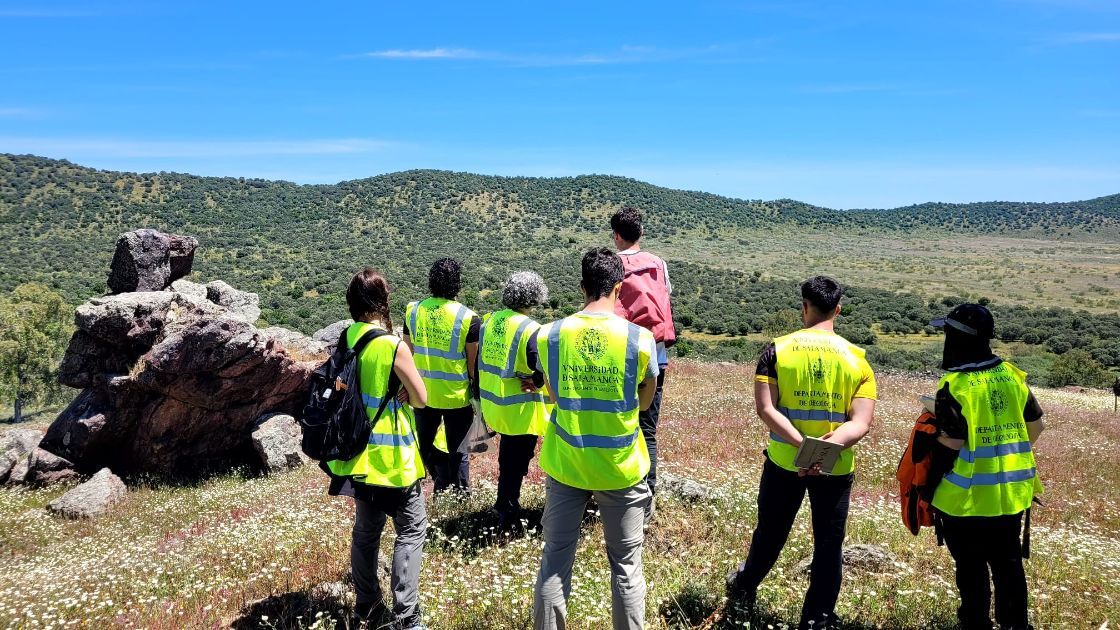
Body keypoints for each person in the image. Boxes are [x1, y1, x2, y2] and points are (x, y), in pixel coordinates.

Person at [726, 276, 876, 629]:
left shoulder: (777, 351)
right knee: (829, 544)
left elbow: (766, 409)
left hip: (784, 462)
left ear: (804, 306)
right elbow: (861, 422)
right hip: (835, 466)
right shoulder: (858, 360)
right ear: (838, 309)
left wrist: (801, 445)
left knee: (770, 532)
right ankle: (817, 618)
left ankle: (744, 587)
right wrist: (825, 449)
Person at [531, 247, 659, 630]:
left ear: (582, 286)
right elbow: (645, 401)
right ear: (619, 287)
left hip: (567, 463)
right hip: (621, 468)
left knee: (555, 560)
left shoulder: (550, 335)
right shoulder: (639, 339)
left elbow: (554, 394)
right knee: (626, 566)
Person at [928, 304, 1044, 630]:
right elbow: (1036, 427)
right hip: (1011, 493)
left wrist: (929, 482)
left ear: (955, 338)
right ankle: (1015, 625)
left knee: (971, 567)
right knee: (1009, 564)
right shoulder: (1012, 376)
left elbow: (952, 444)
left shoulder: (955, 385)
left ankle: (976, 623)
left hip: (966, 499)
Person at [324, 268, 429, 630]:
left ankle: (367, 605)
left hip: (357, 454)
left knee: (367, 531)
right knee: (412, 529)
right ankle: (407, 617)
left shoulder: (348, 336)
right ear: (382, 302)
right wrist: (406, 391)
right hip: (392, 457)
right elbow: (421, 397)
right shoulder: (391, 345)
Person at [610, 205, 675, 524]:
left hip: (620, 356)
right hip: (655, 355)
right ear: (641, 232)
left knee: (616, 424)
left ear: (616, 235)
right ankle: (647, 497)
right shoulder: (658, 263)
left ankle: (615, 488)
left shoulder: (611, 265)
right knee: (647, 429)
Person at [477, 271, 552, 529]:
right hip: (518, 409)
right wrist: (537, 381)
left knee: (509, 459)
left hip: (493, 403)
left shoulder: (489, 320)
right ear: (535, 297)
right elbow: (542, 365)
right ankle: (506, 512)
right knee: (515, 462)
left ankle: (505, 505)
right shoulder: (530, 329)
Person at [404, 257, 480, 493]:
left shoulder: (413, 311)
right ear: (457, 283)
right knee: (459, 450)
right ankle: (460, 494)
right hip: (456, 396)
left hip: (422, 393)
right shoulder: (468, 318)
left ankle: (441, 478)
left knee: (424, 445)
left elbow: (407, 353)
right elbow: (472, 366)